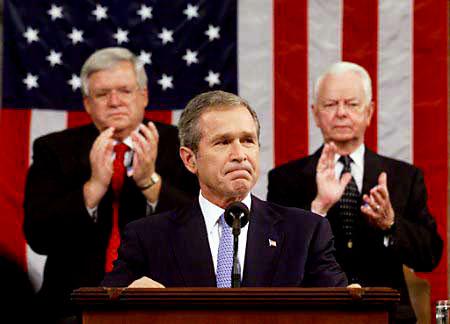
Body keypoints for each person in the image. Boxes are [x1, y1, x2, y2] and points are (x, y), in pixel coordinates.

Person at [101, 90, 347, 289]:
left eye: (248, 141)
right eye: (223, 142)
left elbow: (344, 312)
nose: (240, 155)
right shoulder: (148, 238)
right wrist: (128, 301)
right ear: (190, 159)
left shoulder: (305, 233)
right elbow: (100, 311)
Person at [23, 47, 199, 321]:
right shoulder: (53, 150)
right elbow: (38, 236)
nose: (114, 101)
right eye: (103, 94)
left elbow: (203, 229)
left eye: (125, 91)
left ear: (144, 96)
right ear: (87, 104)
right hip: (69, 307)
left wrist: (149, 183)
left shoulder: (181, 146)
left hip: (162, 304)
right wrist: (92, 189)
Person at [267, 62, 443, 323]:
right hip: (314, 316)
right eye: (330, 105)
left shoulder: (404, 177)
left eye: (351, 104)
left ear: (369, 112)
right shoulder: (286, 179)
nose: (341, 113)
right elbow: (275, 259)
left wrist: (390, 225)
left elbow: (429, 257)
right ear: (315, 114)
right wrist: (318, 209)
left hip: (388, 316)